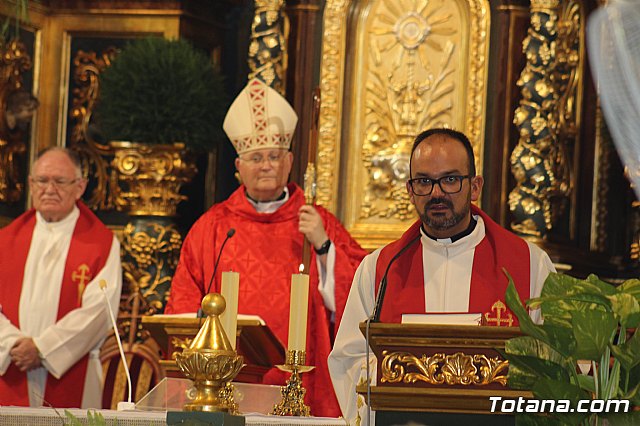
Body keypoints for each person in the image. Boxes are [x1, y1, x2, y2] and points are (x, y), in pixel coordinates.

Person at [165, 78, 367, 417]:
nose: (266, 165)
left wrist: (323, 246)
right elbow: (183, 301)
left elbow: (359, 298)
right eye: (256, 157)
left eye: (274, 156)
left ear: (289, 162)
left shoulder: (317, 222)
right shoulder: (213, 227)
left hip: (302, 379)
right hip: (226, 382)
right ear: (238, 168)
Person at [328, 128, 556, 424]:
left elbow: (556, 361)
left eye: (450, 179)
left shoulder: (529, 264)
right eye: (424, 181)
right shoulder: (379, 269)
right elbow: (349, 358)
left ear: (474, 187)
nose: (436, 193)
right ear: (410, 190)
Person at [0, 147, 122, 408]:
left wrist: (43, 348)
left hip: (71, 373)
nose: (49, 189)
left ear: (80, 187)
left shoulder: (101, 243)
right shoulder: (5, 240)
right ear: (31, 184)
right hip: (10, 366)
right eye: (42, 181)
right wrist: (10, 343)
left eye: (60, 181)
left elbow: (100, 312)